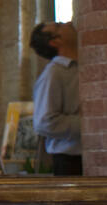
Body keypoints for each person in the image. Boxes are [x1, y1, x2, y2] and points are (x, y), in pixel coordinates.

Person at [28, 20, 81, 175]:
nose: (69, 23)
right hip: (71, 161)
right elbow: (45, 122)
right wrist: (91, 124)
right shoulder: (53, 74)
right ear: (55, 41)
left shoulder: (83, 65)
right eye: (59, 25)